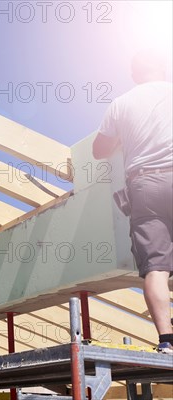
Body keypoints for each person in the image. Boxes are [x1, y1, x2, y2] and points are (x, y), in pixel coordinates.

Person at [93, 49, 173, 353]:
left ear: (134, 75)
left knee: (156, 266)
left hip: (145, 184)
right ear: (163, 69)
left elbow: (100, 150)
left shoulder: (121, 104)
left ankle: (167, 341)